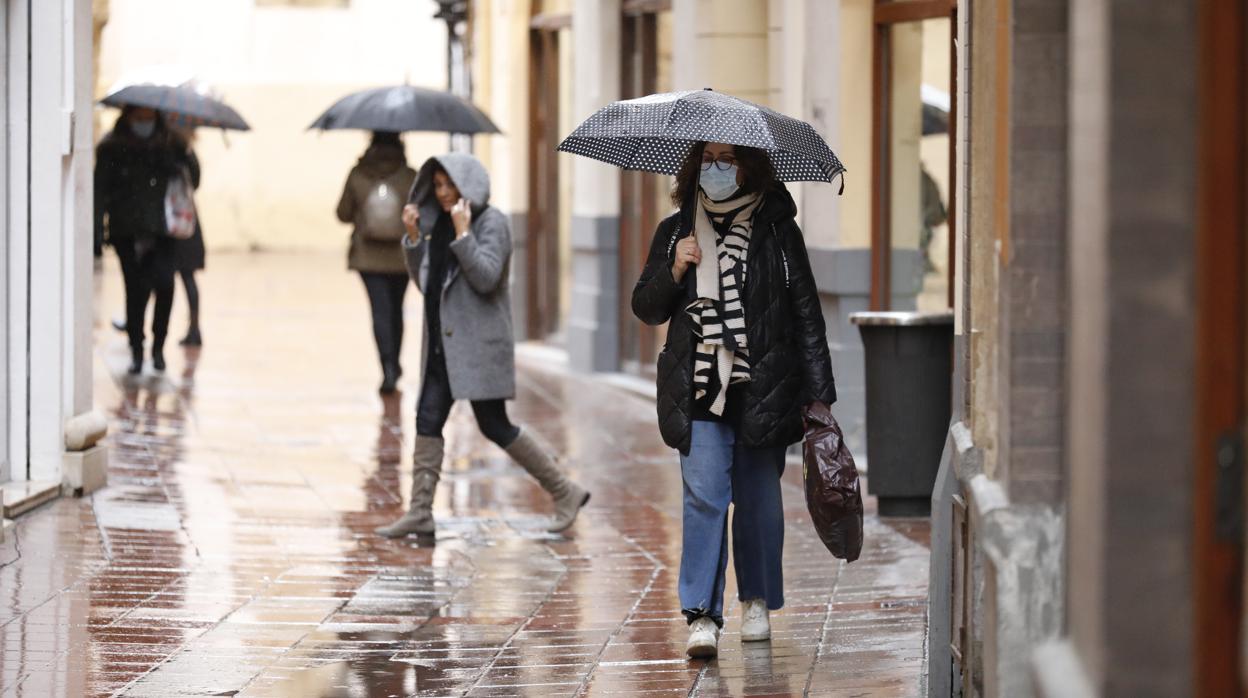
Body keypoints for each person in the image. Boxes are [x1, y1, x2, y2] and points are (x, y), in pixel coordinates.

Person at [631, 141, 837, 659]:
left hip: (763, 385)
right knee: (703, 494)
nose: (716, 169)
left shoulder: (777, 230)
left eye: (727, 159)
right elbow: (647, 308)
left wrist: (819, 397)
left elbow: (806, 311)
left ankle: (757, 601)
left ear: (749, 167)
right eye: (707, 159)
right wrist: (674, 269)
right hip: (698, 387)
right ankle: (701, 614)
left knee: (759, 500)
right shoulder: (675, 230)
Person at [374, 153, 591, 538]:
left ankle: (565, 491)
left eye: (449, 185)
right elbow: (428, 286)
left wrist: (463, 234)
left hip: (478, 346)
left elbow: (487, 277)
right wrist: (412, 240)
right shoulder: (438, 224)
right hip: (441, 345)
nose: (442, 193)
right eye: (437, 185)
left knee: (495, 425)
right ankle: (420, 511)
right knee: (427, 420)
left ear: (467, 185)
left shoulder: (493, 223)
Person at [95, 106, 198, 375]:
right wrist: (97, 231)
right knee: (135, 290)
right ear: (128, 116)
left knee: (165, 285)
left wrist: (187, 150)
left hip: (163, 229)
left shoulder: (172, 143)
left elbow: (194, 180)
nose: (144, 123)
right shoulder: (112, 146)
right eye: (138, 117)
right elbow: (100, 189)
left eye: (148, 117)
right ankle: (137, 349)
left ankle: (158, 348)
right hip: (126, 229)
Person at [336, 131, 417, 393]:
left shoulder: (358, 174)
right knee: (397, 310)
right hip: (401, 256)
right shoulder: (410, 177)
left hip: (367, 257)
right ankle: (395, 360)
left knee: (379, 311)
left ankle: (387, 368)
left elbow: (342, 213)